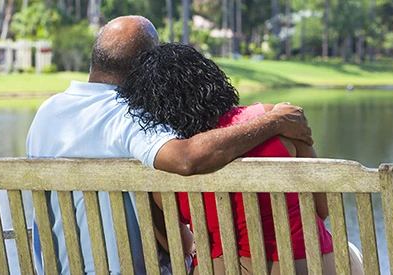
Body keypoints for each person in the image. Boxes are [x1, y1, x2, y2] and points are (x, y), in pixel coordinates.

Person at [26, 16, 313, 275]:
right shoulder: (126, 116)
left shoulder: (47, 112)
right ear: (146, 67)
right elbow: (186, 158)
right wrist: (272, 122)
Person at [117, 42, 365, 275]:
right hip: (310, 264)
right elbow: (321, 209)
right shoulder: (276, 119)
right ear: (210, 81)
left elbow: (176, 243)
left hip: (219, 268)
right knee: (352, 254)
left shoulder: (164, 160)